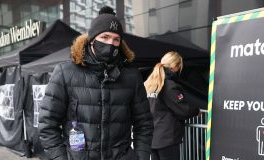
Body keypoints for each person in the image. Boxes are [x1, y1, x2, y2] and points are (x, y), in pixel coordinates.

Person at [39, 6, 153, 160]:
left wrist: (141, 157)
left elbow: (144, 124)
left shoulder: (131, 76)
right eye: (104, 37)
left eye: (116, 39)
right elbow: (47, 125)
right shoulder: (65, 72)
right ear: (92, 39)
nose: (110, 43)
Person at [144, 51, 200, 160]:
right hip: (166, 138)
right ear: (175, 66)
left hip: (151, 137)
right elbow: (183, 110)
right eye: (179, 66)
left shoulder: (149, 84)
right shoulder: (169, 86)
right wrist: (196, 111)